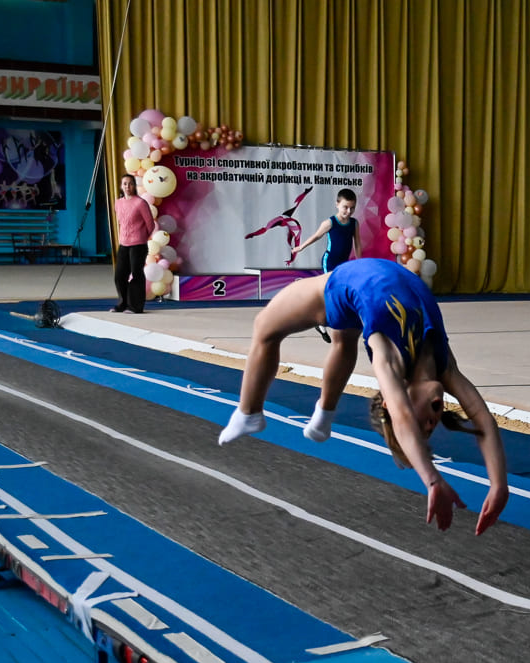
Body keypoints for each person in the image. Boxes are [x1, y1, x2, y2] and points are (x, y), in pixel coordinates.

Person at [218, 258, 509, 535]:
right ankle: (322, 417)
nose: (435, 418)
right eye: (435, 422)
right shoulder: (446, 369)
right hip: (367, 281)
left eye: (425, 425)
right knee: (343, 339)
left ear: (395, 403)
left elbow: (402, 414)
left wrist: (432, 481)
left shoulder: (388, 356)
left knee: (265, 328)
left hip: (341, 284)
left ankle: (249, 413)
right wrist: (499, 485)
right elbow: (483, 420)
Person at [291, 188, 362, 273]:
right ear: (337, 204)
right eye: (345, 207)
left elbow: (357, 244)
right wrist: (301, 247)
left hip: (344, 262)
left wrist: (359, 262)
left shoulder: (354, 223)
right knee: (327, 283)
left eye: (352, 208)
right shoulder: (329, 223)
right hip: (330, 262)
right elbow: (316, 236)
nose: (349, 211)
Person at [113, 173, 155, 314]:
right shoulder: (118, 203)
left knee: (136, 274)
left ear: (134, 186)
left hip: (138, 244)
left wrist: (141, 236)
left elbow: (150, 224)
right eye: (125, 184)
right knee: (119, 275)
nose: (127, 186)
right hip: (124, 244)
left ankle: (135, 306)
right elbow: (121, 222)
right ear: (121, 186)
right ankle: (123, 303)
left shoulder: (140, 203)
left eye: (130, 184)